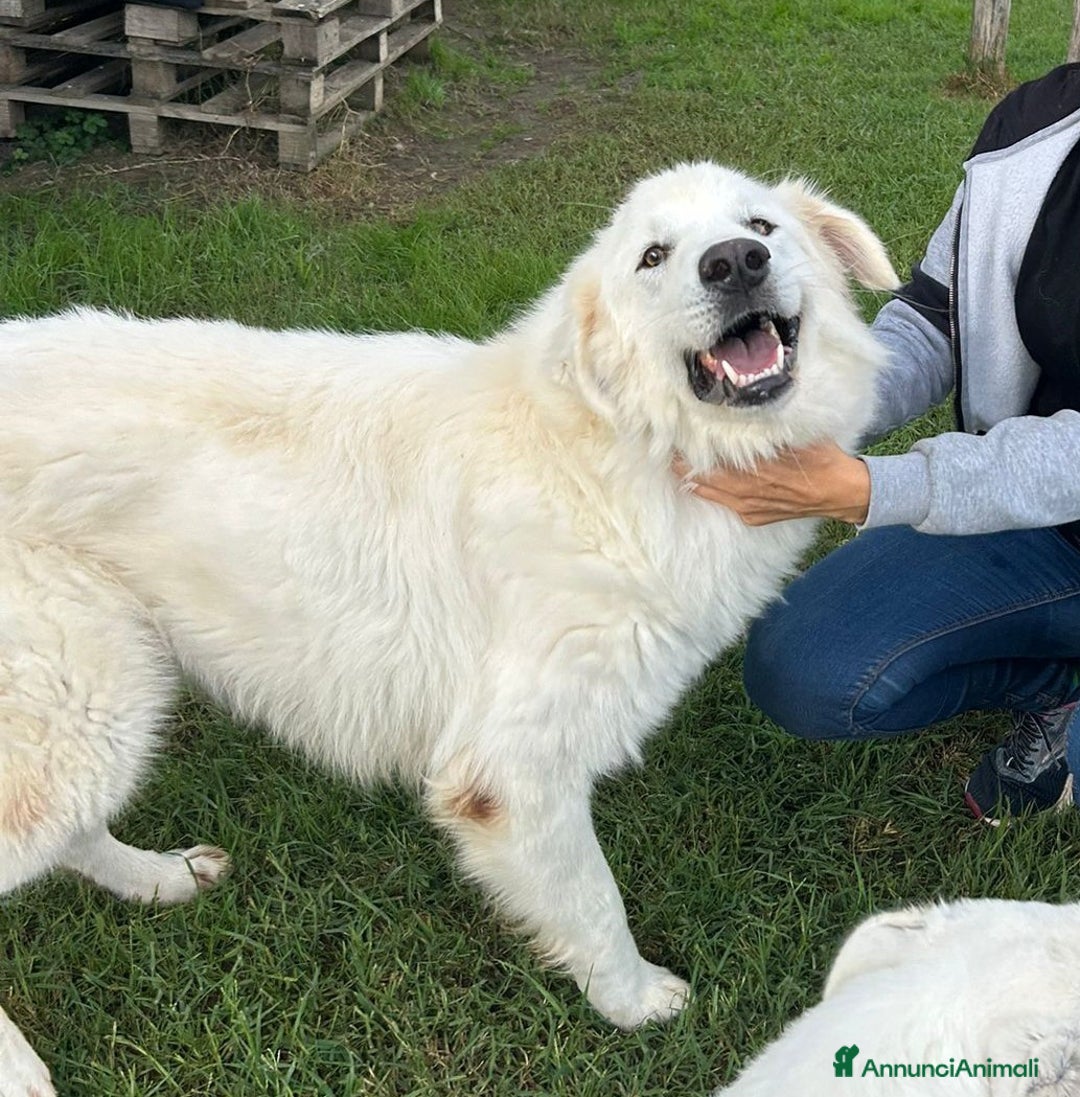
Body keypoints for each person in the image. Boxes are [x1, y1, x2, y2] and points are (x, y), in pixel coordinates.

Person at [684, 63, 1080, 824]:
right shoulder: (1033, 126)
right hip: (1037, 524)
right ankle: (1056, 682)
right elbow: (936, 316)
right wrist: (803, 418)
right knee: (805, 664)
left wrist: (874, 489)